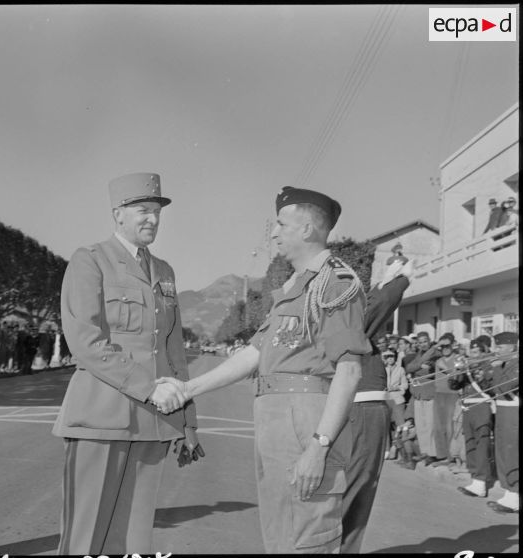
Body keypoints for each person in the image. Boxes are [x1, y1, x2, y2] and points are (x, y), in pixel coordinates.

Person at [158, 186, 371, 553]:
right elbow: (252, 356)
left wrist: (319, 447)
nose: (274, 234)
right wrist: (188, 388)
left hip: (307, 422)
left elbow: (348, 371)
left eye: (281, 225)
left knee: (307, 537)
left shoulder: (335, 284)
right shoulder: (293, 287)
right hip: (275, 419)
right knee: (281, 536)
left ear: (306, 229)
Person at [52, 172, 202, 555]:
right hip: (101, 418)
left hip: (153, 423)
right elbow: (85, 341)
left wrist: (187, 421)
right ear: (118, 214)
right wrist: (149, 387)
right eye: (141, 210)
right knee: (86, 536)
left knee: (134, 538)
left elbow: (172, 350)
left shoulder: (165, 272)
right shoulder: (91, 261)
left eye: (156, 211)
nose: (151, 219)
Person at [341, 260, 412, 553]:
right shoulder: (349, 322)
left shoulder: (347, 321)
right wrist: (400, 280)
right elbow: (381, 303)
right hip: (362, 411)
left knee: (354, 489)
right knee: (356, 489)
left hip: (361, 410)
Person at [450, 339, 494, 497]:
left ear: (483, 352)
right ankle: (475, 478)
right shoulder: (467, 367)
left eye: (475, 352)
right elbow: (453, 386)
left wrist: (477, 372)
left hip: (481, 406)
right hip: (467, 407)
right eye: (471, 352)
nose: (472, 355)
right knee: (470, 444)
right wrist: (458, 371)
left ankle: (481, 481)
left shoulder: (489, 366)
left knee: (481, 444)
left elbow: (491, 388)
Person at [486, 331, 519, 513]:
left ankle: (515, 494)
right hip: (503, 410)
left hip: (513, 412)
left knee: (511, 452)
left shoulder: (517, 364)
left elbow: (503, 388)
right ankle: (508, 492)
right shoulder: (507, 363)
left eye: (499, 347)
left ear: (511, 347)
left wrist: (497, 368)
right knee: (501, 451)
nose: (496, 350)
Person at [405, 331, 441, 466]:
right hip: (418, 395)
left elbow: (429, 370)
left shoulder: (436, 354)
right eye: (420, 342)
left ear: (429, 341)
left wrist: (418, 367)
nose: (422, 344)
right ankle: (424, 452)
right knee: (421, 426)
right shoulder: (419, 355)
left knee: (430, 426)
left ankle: (432, 454)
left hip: (429, 394)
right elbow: (409, 367)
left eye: (425, 341)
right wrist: (419, 366)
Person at [432, 334, 460, 467]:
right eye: (442, 346)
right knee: (438, 426)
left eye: (447, 345)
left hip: (452, 394)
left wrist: (447, 369)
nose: (445, 349)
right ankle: (442, 456)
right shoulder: (437, 359)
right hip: (438, 394)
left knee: (449, 427)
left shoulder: (458, 358)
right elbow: (421, 359)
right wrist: (436, 346)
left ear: (453, 345)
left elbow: (458, 376)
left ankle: (451, 456)